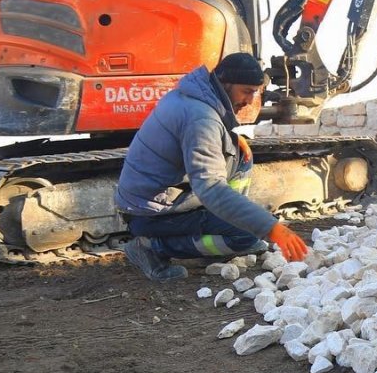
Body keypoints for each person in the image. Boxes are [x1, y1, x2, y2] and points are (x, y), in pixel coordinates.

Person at [114, 52, 309, 281]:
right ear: (226, 84)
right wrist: (271, 228)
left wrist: (230, 141)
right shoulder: (201, 117)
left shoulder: (194, 97)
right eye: (246, 91)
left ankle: (223, 221)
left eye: (254, 93)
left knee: (240, 155)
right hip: (150, 213)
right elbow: (211, 188)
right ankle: (152, 246)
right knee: (245, 236)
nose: (249, 100)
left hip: (157, 199)